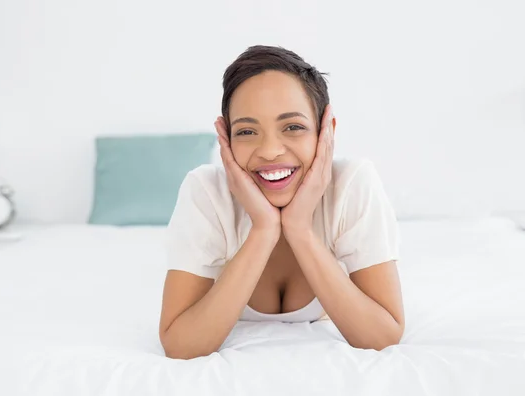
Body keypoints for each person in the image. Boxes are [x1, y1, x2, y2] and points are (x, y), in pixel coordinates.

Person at [159, 45, 404, 360]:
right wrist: (263, 229)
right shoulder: (206, 191)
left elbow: (383, 336)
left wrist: (299, 228)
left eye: (293, 127)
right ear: (226, 137)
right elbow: (181, 345)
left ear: (325, 131)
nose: (270, 150)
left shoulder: (351, 183)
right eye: (247, 131)